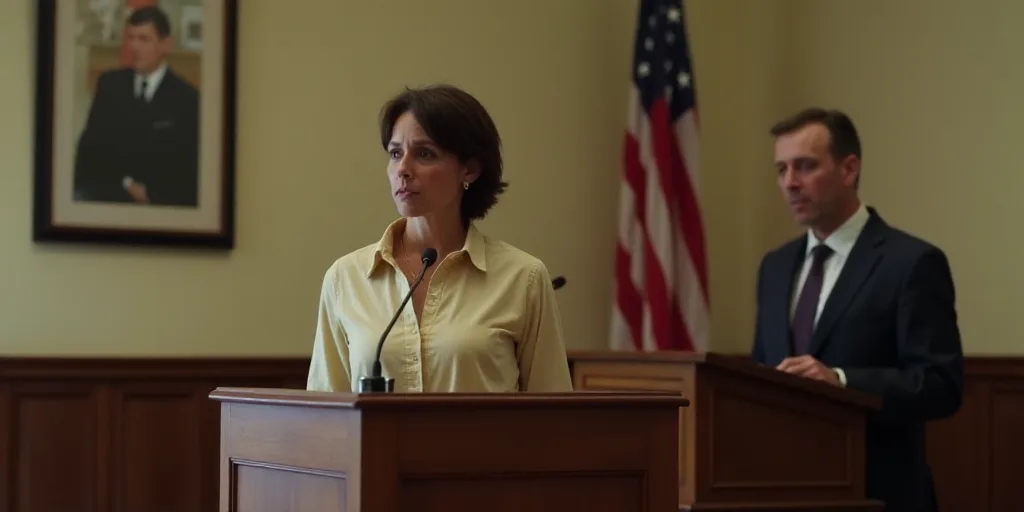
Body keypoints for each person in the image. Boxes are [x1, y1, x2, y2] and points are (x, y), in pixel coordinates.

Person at [751, 108, 964, 512]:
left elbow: (941, 385)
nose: (790, 183)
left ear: (849, 170)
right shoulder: (775, 268)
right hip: (781, 490)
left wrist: (842, 380)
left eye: (805, 166)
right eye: (781, 170)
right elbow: (759, 374)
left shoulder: (911, 263)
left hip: (879, 494)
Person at [306, 84, 573, 394]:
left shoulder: (523, 278)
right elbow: (323, 416)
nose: (402, 169)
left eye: (424, 153)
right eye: (395, 153)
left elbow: (553, 417)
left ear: (469, 170)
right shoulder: (346, 278)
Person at [73, 5, 200, 207]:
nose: (134, 47)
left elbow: (187, 168)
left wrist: (150, 194)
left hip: (163, 204)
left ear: (165, 44)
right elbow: (90, 151)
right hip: (108, 195)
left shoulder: (186, 98)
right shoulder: (109, 85)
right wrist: (127, 183)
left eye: (143, 39)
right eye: (130, 38)